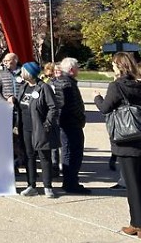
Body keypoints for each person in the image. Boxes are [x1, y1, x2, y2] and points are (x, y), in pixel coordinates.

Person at [94, 52, 141, 239]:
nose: (112, 67)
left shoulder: (116, 86)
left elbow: (105, 109)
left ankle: (137, 225)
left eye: (113, 65)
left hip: (126, 140)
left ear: (119, 66)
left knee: (132, 185)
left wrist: (97, 97)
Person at [17, 62, 59, 199]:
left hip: (39, 128)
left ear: (29, 73)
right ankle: (31, 185)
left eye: (23, 71)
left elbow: (53, 107)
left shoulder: (44, 88)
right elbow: (20, 104)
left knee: (44, 157)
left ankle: (48, 186)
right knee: (29, 156)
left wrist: (47, 124)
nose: (21, 73)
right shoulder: (23, 87)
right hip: (25, 127)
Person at [53, 57, 90, 194]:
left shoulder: (60, 82)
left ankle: (70, 181)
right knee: (72, 153)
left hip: (66, 123)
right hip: (70, 123)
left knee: (69, 152)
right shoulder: (67, 84)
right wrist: (81, 118)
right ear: (71, 70)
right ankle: (70, 182)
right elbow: (71, 106)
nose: (79, 70)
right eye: (77, 67)